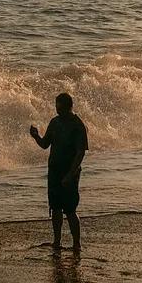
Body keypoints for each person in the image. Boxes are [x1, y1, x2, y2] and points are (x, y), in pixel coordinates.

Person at [28, 92, 90, 250]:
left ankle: (77, 244)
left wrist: (71, 174)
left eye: (59, 106)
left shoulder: (77, 125)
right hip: (54, 171)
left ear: (68, 106)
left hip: (70, 172)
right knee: (55, 208)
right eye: (56, 105)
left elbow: (80, 152)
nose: (57, 109)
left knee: (70, 209)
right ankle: (57, 241)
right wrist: (36, 136)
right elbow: (44, 144)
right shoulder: (55, 122)